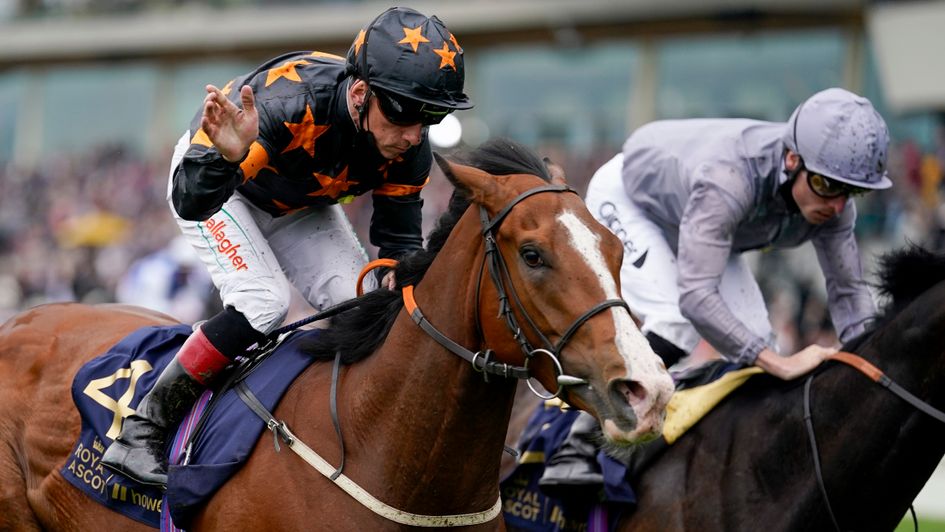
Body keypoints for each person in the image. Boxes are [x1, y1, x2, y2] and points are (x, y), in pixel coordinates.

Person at [102, 6, 472, 487]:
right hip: (221, 184)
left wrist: (400, 284)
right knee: (264, 302)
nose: (413, 135)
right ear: (359, 93)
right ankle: (142, 430)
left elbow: (396, 244)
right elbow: (191, 200)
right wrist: (226, 160)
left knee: (365, 310)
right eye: (403, 112)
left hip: (297, 203)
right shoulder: (289, 108)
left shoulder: (409, 146)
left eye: (431, 118)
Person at [541, 87, 891, 492]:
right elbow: (697, 296)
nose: (836, 204)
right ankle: (577, 444)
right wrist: (779, 364)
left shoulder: (834, 204)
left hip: (698, 222)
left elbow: (849, 295)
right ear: (792, 160)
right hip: (635, 201)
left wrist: (872, 372)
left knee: (758, 340)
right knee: (679, 319)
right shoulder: (730, 177)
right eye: (825, 185)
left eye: (851, 191)